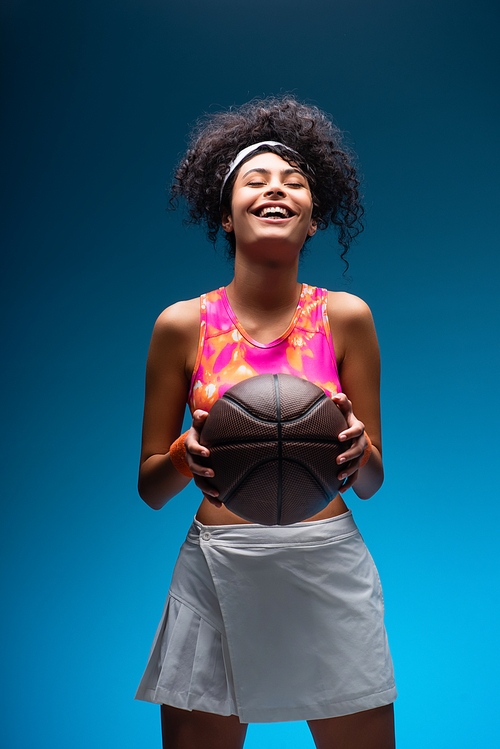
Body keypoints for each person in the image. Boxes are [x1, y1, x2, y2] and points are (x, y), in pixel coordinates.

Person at [135, 96, 397, 749]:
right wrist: (181, 454)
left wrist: (357, 448)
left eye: (294, 181)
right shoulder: (180, 325)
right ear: (226, 214)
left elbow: (370, 480)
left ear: (313, 220)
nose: (276, 187)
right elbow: (150, 487)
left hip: (326, 564)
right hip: (216, 566)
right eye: (256, 179)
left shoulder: (347, 317)